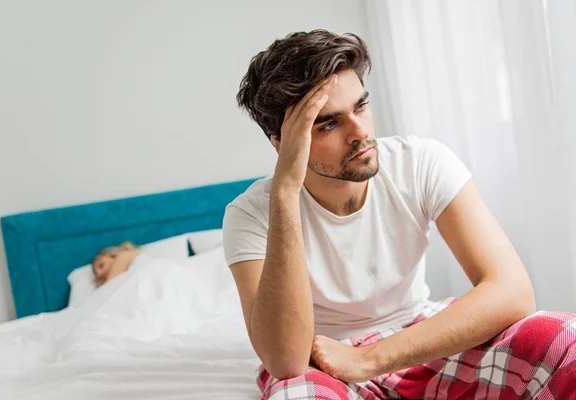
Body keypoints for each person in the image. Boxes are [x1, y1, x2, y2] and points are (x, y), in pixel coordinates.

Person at [223, 29, 576, 399]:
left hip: (419, 336)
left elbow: (513, 292)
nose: (360, 132)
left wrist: (370, 358)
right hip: (325, 360)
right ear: (281, 142)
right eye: (329, 123)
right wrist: (285, 192)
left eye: (360, 106)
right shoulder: (251, 214)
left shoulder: (420, 162)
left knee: (563, 339)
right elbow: (286, 361)